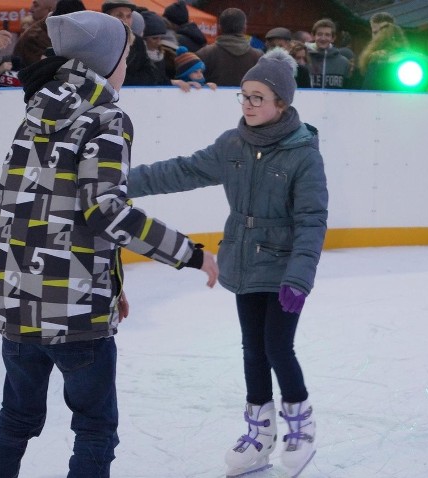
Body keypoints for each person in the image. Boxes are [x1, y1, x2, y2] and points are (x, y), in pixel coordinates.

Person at [0, 11, 218, 477]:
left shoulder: (33, 113)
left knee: (17, 417)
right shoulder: (106, 117)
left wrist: (110, 280)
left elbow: (35, 213)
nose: (128, 65)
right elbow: (107, 211)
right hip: (75, 314)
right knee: (95, 428)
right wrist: (191, 253)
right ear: (106, 62)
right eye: (127, 56)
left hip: (18, 304)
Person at [125, 48, 327, 478]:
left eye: (259, 98)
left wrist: (299, 277)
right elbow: (179, 171)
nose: (249, 105)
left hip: (284, 266)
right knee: (253, 350)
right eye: (245, 96)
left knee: (277, 346)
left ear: (282, 104)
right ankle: (260, 433)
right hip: (243, 260)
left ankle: (300, 422)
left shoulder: (303, 154)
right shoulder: (232, 145)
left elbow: (312, 220)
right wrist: (122, 180)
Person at [197, 8, 263, 87]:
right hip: (246, 98)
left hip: (211, 99)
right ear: (244, 28)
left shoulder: (204, 53)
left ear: (219, 27)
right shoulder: (259, 57)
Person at [306, 18, 351, 89]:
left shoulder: (344, 63)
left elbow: (348, 90)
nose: (323, 38)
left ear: (333, 38)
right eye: (319, 34)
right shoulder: (304, 58)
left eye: (327, 35)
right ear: (313, 36)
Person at [12, 0, 58, 68]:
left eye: (36, 6)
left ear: (50, 10)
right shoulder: (33, 36)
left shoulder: (37, 35)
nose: (30, 9)